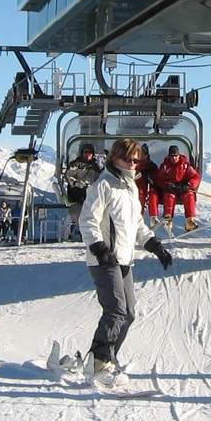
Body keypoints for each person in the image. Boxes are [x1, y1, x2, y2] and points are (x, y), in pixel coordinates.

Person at [77, 137, 174, 388]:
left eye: (136, 160)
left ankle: (108, 358)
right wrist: (99, 248)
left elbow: (136, 224)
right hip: (104, 259)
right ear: (114, 158)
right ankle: (98, 362)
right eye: (128, 159)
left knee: (128, 313)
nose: (132, 164)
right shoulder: (104, 185)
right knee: (116, 310)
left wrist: (155, 245)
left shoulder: (130, 187)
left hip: (124, 258)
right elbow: (87, 219)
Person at [152, 145, 202, 232]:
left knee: (190, 196)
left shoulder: (185, 166)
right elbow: (159, 179)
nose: (174, 158)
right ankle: (168, 219)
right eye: (172, 156)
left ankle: (190, 220)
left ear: (179, 155)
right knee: (169, 197)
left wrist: (189, 185)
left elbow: (195, 177)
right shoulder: (165, 166)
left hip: (182, 188)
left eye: (176, 156)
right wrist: (167, 185)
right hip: (171, 189)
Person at [60, 142, 101, 234]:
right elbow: (68, 175)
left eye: (90, 152)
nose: (88, 154)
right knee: (82, 198)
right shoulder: (76, 164)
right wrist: (75, 183)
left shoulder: (95, 167)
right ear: (82, 153)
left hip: (91, 189)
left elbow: (97, 178)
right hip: (78, 188)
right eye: (86, 152)